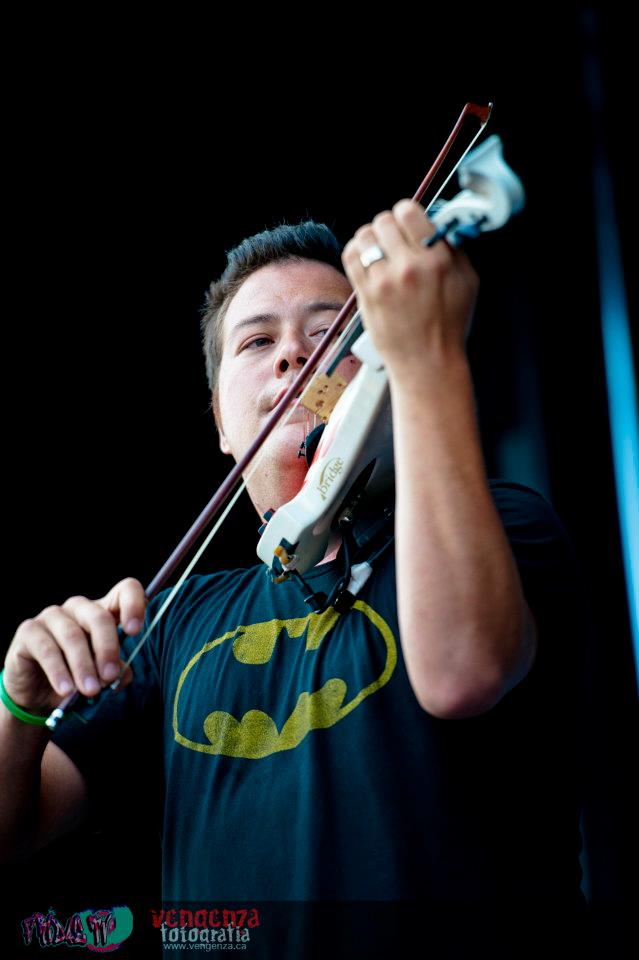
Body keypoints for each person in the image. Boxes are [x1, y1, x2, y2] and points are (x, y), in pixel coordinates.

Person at [0, 201, 588, 958]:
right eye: (257, 341)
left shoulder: (499, 525)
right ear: (220, 421)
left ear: (379, 360)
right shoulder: (174, 621)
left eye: (329, 331)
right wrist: (17, 703)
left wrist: (422, 358)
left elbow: (462, 672)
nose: (292, 357)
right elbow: (12, 831)